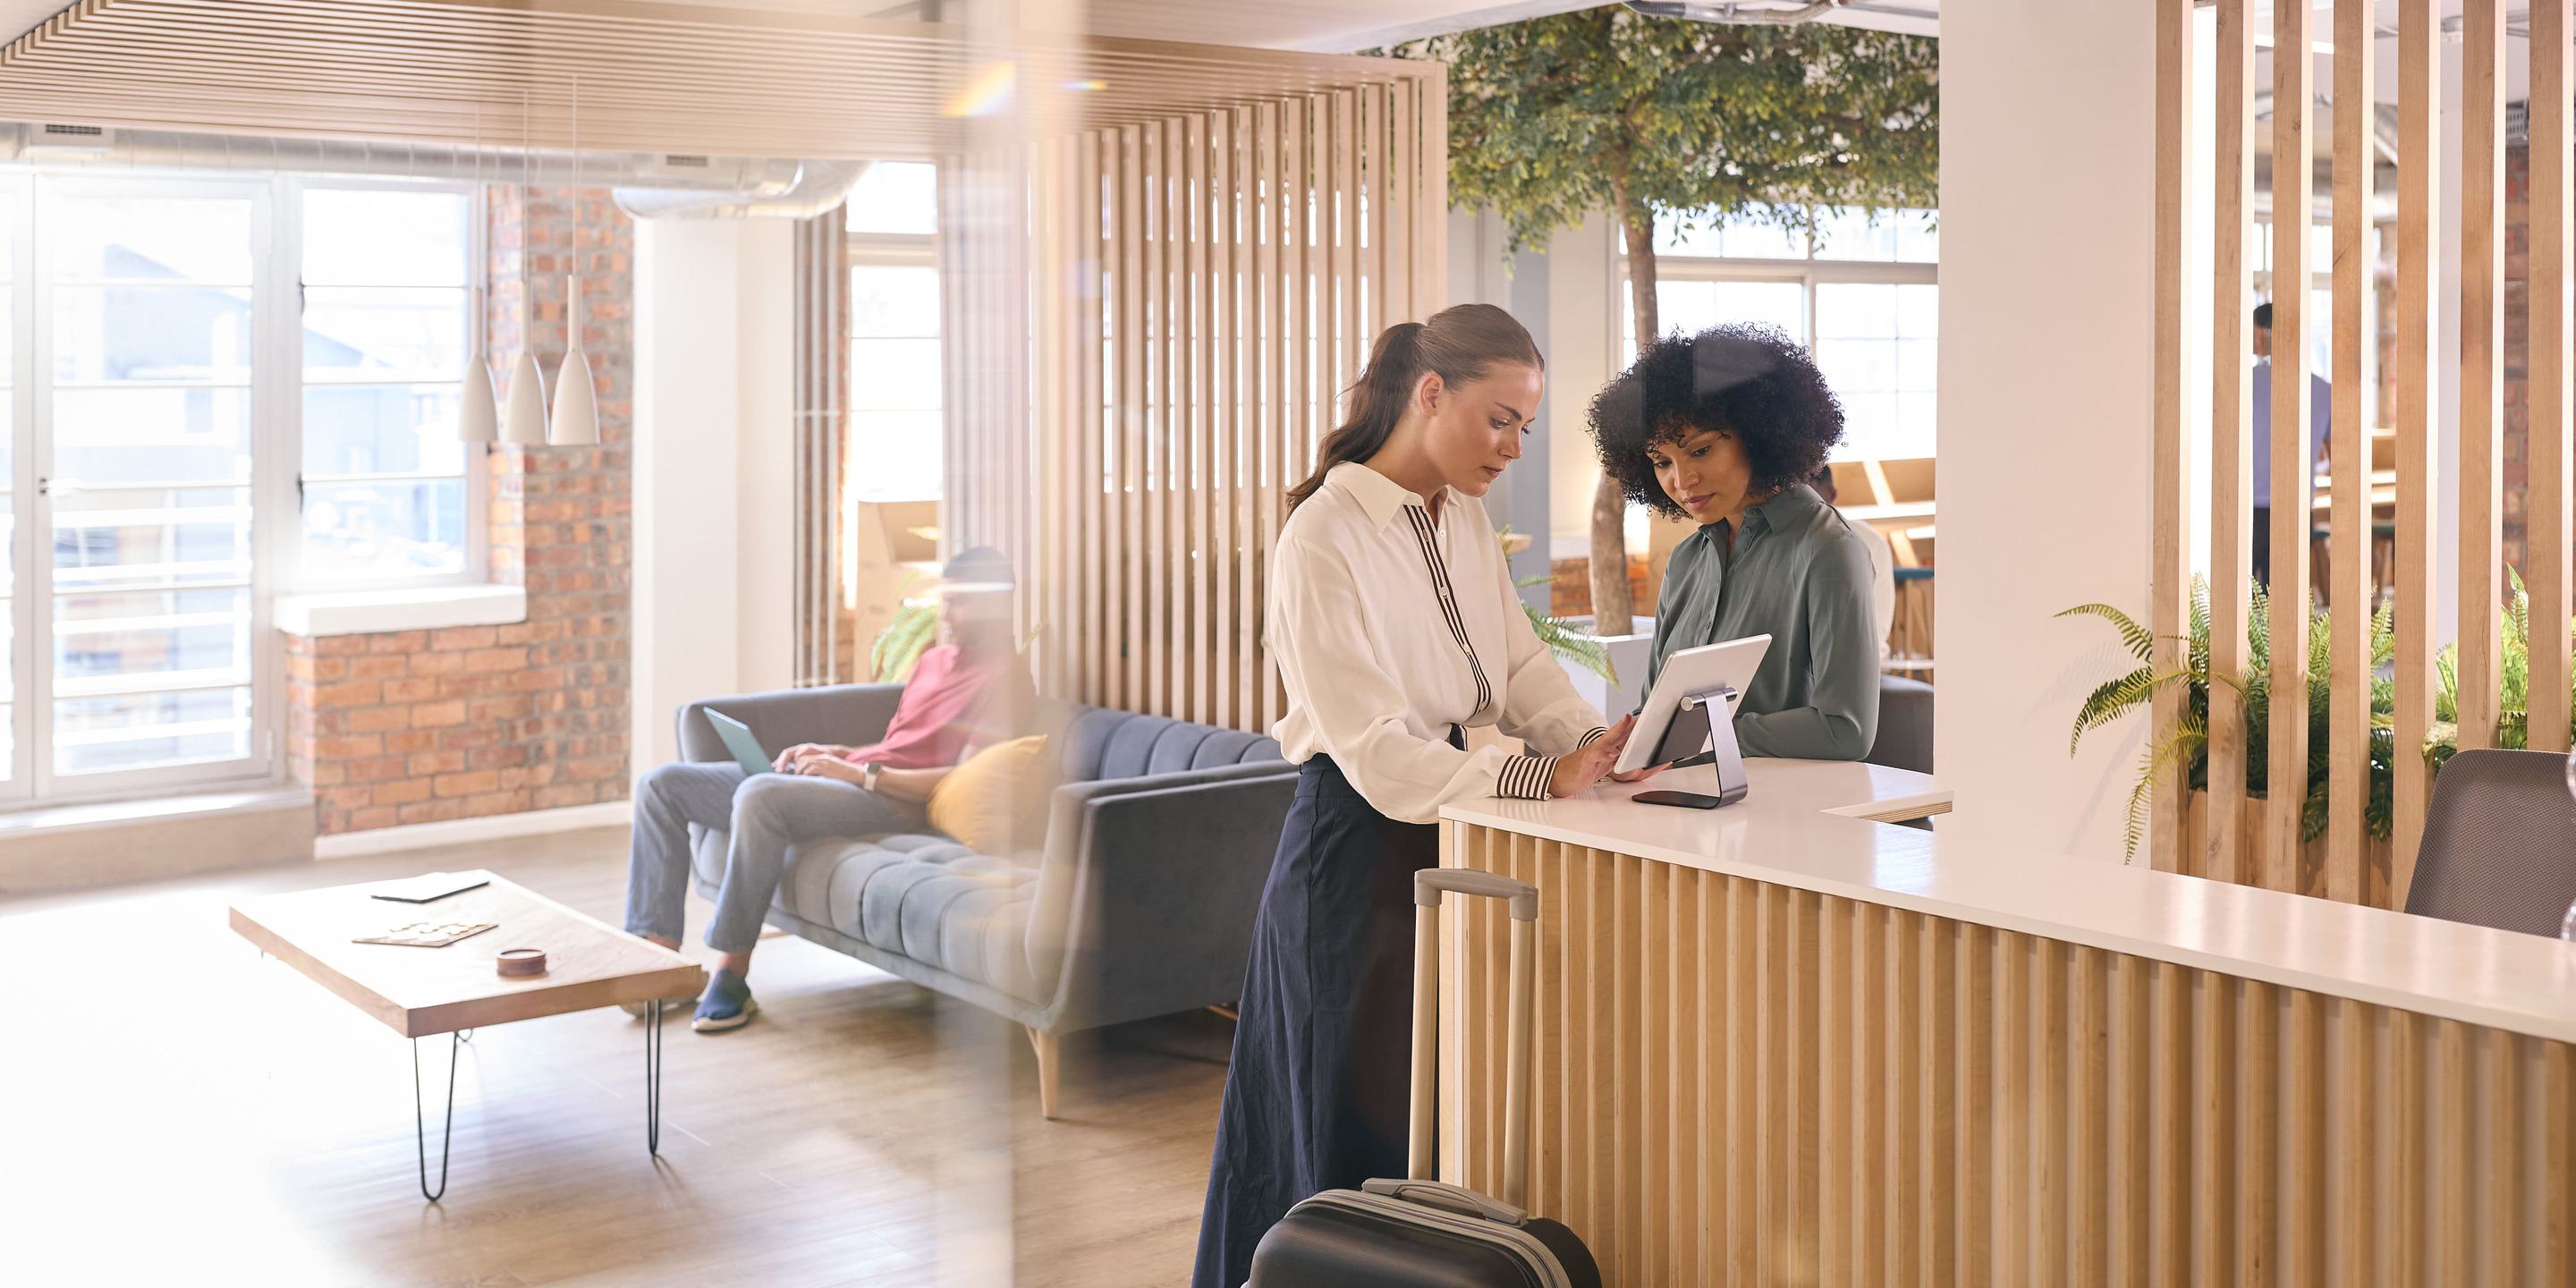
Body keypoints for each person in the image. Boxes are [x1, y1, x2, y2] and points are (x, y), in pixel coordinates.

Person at [1191, 304, 1647, 1288]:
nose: (1513, 448)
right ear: (1429, 394)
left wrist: (1590, 746)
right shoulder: (1324, 534)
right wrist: (1535, 776)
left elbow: (1520, 665)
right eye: (1499, 419)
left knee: (1415, 1121)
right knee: (1336, 1118)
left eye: (1526, 426)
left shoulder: (1461, 517)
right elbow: (1372, 748)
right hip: (1352, 851)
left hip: (1440, 834)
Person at [621, 547, 1033, 1033]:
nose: (945, 615)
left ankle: (731, 974)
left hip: (897, 803)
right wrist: (839, 753)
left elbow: (957, 778)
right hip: (861, 778)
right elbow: (901, 742)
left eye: (958, 604)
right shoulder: (935, 662)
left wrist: (863, 776)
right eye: (944, 601)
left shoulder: (1007, 679)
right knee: (661, 785)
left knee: (761, 797)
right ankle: (659, 960)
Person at [1589, 322, 1879, 762]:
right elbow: (1655, 711)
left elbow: (1846, 730)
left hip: (1785, 819)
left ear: (1758, 434)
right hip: (1674, 813)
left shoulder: (1828, 550)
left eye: (1701, 451)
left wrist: (1699, 732)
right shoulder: (1687, 561)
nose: (1682, 481)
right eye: (1661, 461)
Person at [2250, 300, 2333, 585]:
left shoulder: (2242, 383)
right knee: (2286, 601)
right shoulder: (2323, 390)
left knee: (2239, 606)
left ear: (2261, 334)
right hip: (2296, 508)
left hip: (2246, 507)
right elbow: (2338, 458)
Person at [1809, 463, 1896, 662]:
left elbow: (1877, 630)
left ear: (1831, 494)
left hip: (1858, 659)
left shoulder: (1868, 541)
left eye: (1812, 495)